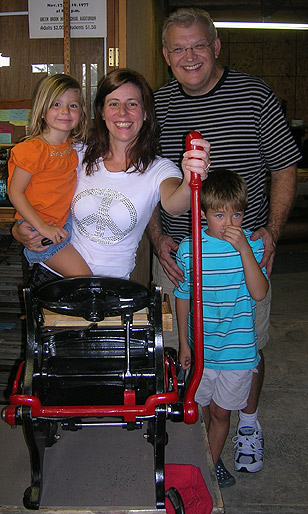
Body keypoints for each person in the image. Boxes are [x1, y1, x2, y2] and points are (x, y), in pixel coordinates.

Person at [147, 7, 302, 473]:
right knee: (182, 348)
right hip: (181, 256)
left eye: (199, 45)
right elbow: (143, 180)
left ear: (216, 47)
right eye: (179, 48)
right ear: (166, 54)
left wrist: (271, 232)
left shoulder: (254, 95)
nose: (189, 56)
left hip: (242, 253)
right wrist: (157, 237)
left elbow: (284, 167)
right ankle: (196, 437)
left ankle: (247, 423)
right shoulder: (157, 105)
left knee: (246, 344)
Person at [12, 68, 210, 289]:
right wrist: (19, 230)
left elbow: (175, 205)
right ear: (102, 112)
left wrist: (191, 178)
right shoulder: (76, 154)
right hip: (54, 278)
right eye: (113, 104)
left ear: (145, 113)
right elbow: (30, 192)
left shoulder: (159, 169)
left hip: (110, 288)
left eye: (132, 104)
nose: (122, 113)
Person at [175, 168, 269, 487]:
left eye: (236, 215)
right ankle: (201, 459)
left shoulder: (251, 248)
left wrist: (244, 249)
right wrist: (185, 345)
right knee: (198, 409)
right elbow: (183, 295)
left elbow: (259, 292)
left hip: (237, 352)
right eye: (219, 215)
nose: (229, 223)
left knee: (221, 413)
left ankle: (206, 470)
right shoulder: (191, 248)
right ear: (202, 214)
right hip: (202, 348)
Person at [7, 73, 92, 278]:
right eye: (56, 104)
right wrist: (43, 228)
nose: (65, 111)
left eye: (73, 105)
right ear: (42, 111)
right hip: (40, 228)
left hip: (63, 223)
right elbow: (15, 192)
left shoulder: (72, 148)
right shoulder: (32, 149)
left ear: (81, 112)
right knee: (85, 279)